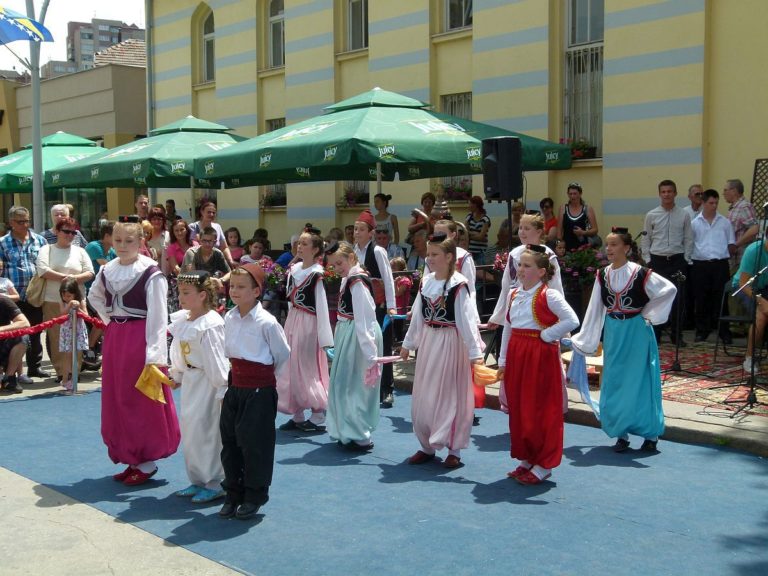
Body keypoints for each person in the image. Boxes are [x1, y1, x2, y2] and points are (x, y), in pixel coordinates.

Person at [89, 220, 180, 486]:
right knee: (118, 398)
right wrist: (112, 321)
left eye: (129, 241)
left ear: (141, 241)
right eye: (117, 241)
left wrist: (155, 356)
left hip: (140, 340)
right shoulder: (109, 270)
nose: (122, 246)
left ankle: (147, 461)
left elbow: (158, 318)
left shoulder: (150, 272)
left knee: (139, 400)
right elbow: (94, 297)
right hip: (118, 338)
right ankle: (132, 458)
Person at [571, 228, 676, 453]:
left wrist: (648, 313)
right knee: (615, 379)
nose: (608, 249)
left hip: (637, 330)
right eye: (607, 244)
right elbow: (595, 309)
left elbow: (669, 289)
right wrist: (585, 339)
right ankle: (621, 432)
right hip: (614, 331)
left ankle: (650, 434)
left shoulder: (640, 273)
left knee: (641, 380)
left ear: (627, 248)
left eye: (614, 244)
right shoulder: (602, 275)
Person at [400, 233, 484, 468]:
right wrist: (408, 344)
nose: (429, 258)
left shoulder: (459, 285)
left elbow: (466, 322)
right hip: (428, 343)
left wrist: (475, 355)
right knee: (425, 394)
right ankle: (426, 446)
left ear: (449, 257)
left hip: (451, 343)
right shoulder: (426, 282)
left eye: (435, 254)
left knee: (450, 395)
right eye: (428, 254)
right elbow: (418, 315)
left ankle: (454, 449)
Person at [496, 245, 578, 484]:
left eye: (527, 266)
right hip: (518, 354)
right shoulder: (514, 294)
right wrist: (503, 361)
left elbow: (572, 319)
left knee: (541, 409)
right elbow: (508, 329)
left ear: (541, 272)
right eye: (519, 265)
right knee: (521, 408)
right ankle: (527, 457)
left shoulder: (548, 295)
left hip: (539, 356)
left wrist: (547, 335)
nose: (520, 269)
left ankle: (544, 463)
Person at [219, 264, 290, 520]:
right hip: (235, 385)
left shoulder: (267, 322)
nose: (234, 291)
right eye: (232, 286)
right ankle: (233, 492)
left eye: (241, 287)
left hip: (259, 389)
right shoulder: (229, 317)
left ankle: (254, 495)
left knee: (255, 444)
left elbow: (282, 355)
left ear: (257, 291)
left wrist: (265, 383)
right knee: (230, 443)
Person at [168, 271, 229, 504]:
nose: (181, 297)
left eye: (186, 293)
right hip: (192, 381)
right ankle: (198, 479)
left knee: (208, 430)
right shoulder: (185, 320)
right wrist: (178, 374)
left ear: (203, 295)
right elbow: (179, 351)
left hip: (208, 383)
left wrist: (222, 388)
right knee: (192, 429)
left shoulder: (210, 324)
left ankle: (215, 482)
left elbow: (216, 359)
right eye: (180, 292)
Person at [325, 242, 382, 452]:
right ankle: (348, 429)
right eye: (333, 265)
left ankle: (359, 433)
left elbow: (364, 318)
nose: (337, 268)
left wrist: (370, 352)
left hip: (358, 335)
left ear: (351, 257)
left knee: (355, 384)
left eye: (339, 263)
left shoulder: (357, 281)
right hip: (348, 331)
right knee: (344, 384)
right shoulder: (348, 279)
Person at [276, 230, 333, 432]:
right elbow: (291, 302)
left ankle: (318, 413)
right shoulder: (294, 269)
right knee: (290, 364)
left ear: (316, 250)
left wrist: (326, 339)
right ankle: (297, 413)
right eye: (299, 243)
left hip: (310, 322)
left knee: (307, 365)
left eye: (305, 244)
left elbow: (322, 305)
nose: (299, 247)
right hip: (293, 319)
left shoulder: (317, 274)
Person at [35, 217, 94, 383]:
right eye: (66, 231)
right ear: (57, 232)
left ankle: (74, 372)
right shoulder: (47, 249)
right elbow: (43, 270)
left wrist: (72, 280)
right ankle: (62, 373)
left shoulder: (80, 251)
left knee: (78, 336)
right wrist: (66, 278)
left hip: (78, 301)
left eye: (73, 232)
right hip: (53, 300)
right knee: (56, 337)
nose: (70, 235)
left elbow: (90, 272)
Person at [641, 179, 693, 347]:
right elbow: (646, 238)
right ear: (659, 194)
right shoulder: (651, 215)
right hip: (658, 260)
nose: (666, 195)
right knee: (657, 298)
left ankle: (677, 335)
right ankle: (656, 335)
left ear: (675, 193)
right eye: (663, 192)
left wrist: (687, 258)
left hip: (677, 259)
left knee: (678, 298)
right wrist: (648, 259)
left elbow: (688, 237)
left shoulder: (684, 214)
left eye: (669, 191)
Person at [0, 206, 50, 380]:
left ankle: (35, 367)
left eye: (27, 221)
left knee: (36, 331)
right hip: (13, 297)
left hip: (35, 295)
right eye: (20, 221)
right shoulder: (3, 243)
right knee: (19, 334)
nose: (25, 224)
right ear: (11, 223)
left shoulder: (40, 241)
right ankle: (15, 372)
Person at [354, 210, 397, 408]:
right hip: (361, 308)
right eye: (355, 229)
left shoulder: (378, 251)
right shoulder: (352, 253)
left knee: (383, 346)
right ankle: (368, 385)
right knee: (363, 346)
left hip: (379, 307)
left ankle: (387, 388)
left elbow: (388, 280)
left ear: (371, 232)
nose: (357, 232)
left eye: (361, 229)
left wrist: (391, 307)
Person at [690, 189, 735, 343]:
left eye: (716, 203)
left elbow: (731, 243)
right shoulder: (694, 223)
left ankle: (724, 331)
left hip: (720, 264)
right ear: (703, 203)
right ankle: (702, 330)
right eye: (711, 203)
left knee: (721, 298)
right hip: (700, 264)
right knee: (701, 298)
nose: (714, 206)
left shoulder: (725, 222)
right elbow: (691, 244)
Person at [735, 236, 768, 372]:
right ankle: (749, 358)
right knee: (761, 315)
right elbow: (743, 284)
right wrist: (761, 301)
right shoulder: (754, 251)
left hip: (765, 287)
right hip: (746, 288)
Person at [57, 278, 89, 392]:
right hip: (67, 330)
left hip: (78, 329)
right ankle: (65, 378)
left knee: (76, 354)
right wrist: (69, 304)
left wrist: (78, 307)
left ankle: (73, 376)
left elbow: (86, 315)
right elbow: (62, 313)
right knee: (67, 354)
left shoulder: (81, 300)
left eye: (69, 296)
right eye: (64, 295)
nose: (66, 298)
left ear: (75, 293)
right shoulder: (62, 302)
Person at [188, 199, 235, 268]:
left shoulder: (217, 227)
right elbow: (193, 246)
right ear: (202, 212)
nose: (211, 214)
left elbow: (224, 247)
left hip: (216, 264)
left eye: (214, 212)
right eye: (209, 212)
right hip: (198, 264)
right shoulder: (193, 227)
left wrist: (230, 261)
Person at [724, 178, 758, 272]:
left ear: (734, 191)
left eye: (725, 190)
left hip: (742, 258)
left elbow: (754, 229)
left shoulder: (744, 206)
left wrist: (736, 245)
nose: (723, 193)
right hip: (734, 260)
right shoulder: (734, 208)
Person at [165, 219, 198, 314]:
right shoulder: (171, 247)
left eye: (182, 229)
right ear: (173, 232)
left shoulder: (195, 244)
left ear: (186, 230)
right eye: (176, 230)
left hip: (196, 278)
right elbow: (175, 268)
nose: (179, 232)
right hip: (178, 281)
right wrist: (189, 279)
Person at [0, 297, 30, 394]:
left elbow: (25, 323)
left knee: (23, 337)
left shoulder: (4, 301)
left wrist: (1, 329)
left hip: (3, 346)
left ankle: (9, 377)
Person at [557, 183, 599, 251]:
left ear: (580, 194)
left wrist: (583, 232)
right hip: (567, 248)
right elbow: (559, 231)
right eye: (570, 194)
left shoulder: (587, 209)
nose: (572, 196)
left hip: (583, 249)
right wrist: (560, 245)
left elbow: (595, 229)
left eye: (575, 193)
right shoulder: (563, 208)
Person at [391, 256, 411, 341]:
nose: (391, 269)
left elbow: (398, 293)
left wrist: (395, 283)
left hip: (400, 309)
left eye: (393, 267)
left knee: (398, 329)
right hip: (394, 307)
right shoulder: (396, 278)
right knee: (394, 328)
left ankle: (400, 345)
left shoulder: (405, 280)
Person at [465, 196, 491, 263]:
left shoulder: (485, 220)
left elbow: (481, 237)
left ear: (475, 205)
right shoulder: (468, 217)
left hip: (480, 252)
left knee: (481, 270)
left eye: (470, 204)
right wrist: (476, 234)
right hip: (469, 251)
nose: (468, 206)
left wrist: (470, 234)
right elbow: (465, 233)